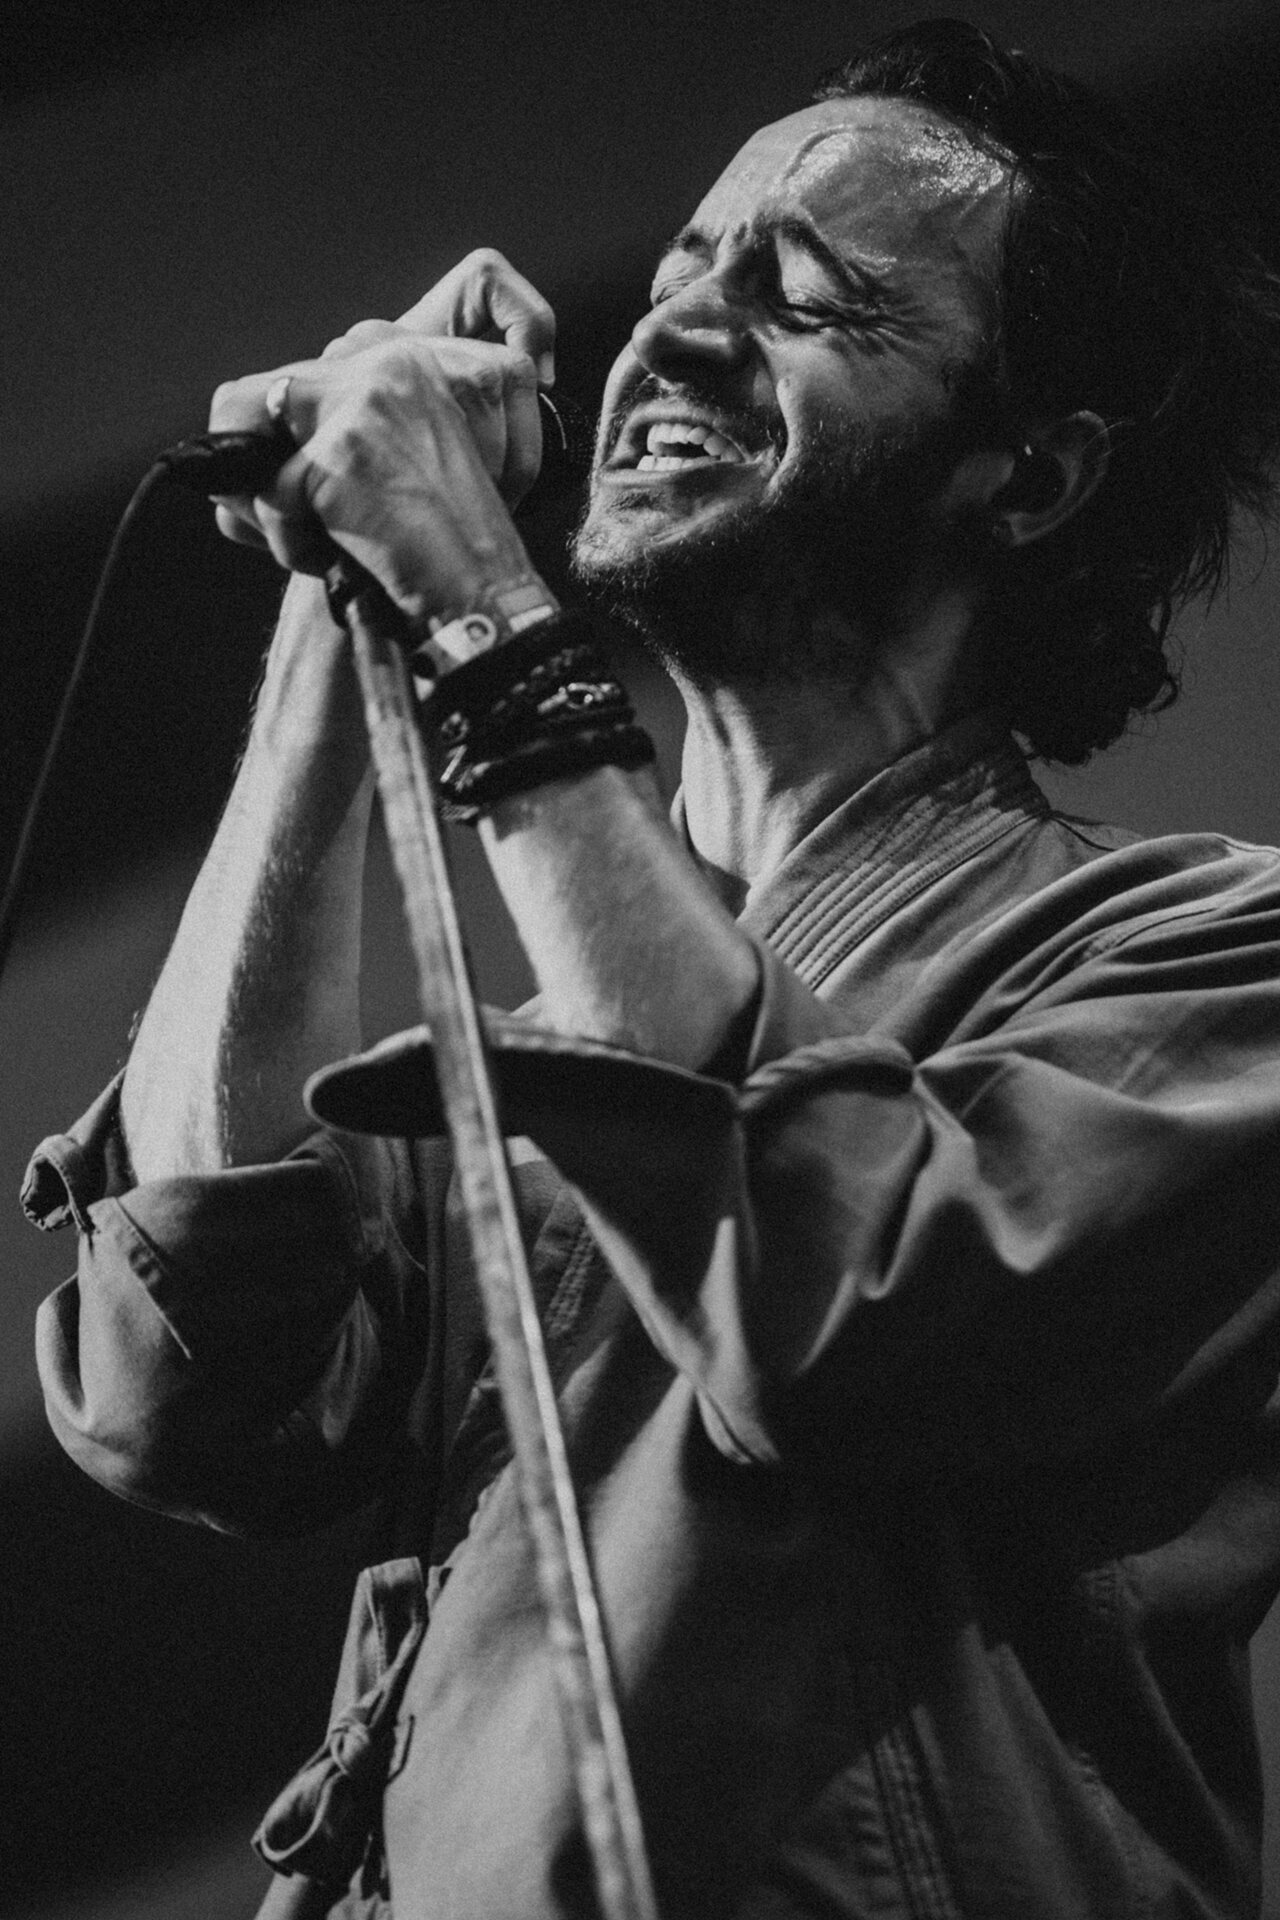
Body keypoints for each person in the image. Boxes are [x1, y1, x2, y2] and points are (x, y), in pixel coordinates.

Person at [22, 17, 1280, 1918]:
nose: (674, 329)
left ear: (1026, 478)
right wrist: (339, 610)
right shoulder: (531, 1072)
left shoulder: (1201, 966)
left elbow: (844, 1301)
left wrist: (474, 599)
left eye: (804, 297)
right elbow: (191, 1369)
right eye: (687, 268)